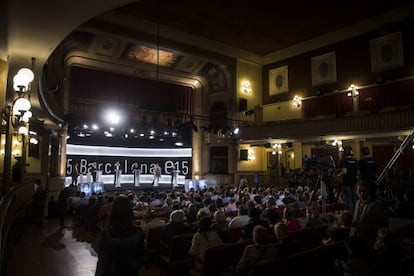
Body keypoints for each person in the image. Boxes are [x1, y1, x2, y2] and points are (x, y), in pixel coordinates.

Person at [95, 196, 145, 276]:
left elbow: (102, 262)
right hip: (131, 272)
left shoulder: (106, 235)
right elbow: (141, 257)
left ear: (113, 213)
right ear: (131, 213)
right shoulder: (139, 233)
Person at [348, 181, 389, 258]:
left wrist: (365, 228)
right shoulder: (357, 203)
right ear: (356, 191)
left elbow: (383, 225)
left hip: (368, 241)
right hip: (355, 239)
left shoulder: (375, 205)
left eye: (364, 191)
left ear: (368, 191)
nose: (362, 194)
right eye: (359, 191)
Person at [337, 146, 359, 212]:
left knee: (347, 200)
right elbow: (358, 173)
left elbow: (344, 172)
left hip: (346, 183)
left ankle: (349, 215)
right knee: (354, 199)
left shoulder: (343, 161)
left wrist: (337, 175)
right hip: (354, 183)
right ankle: (355, 214)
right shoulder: (355, 161)